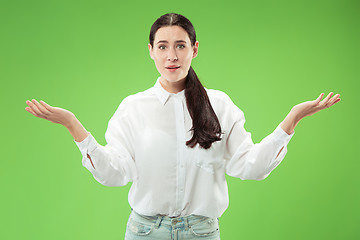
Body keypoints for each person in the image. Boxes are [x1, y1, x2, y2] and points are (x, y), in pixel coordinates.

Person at [25, 13, 341, 240]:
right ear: (150, 51)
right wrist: (72, 124)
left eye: (180, 45)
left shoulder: (219, 105)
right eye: (162, 46)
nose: (171, 55)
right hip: (145, 232)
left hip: (202, 231)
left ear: (194, 49)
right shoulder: (133, 108)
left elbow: (250, 166)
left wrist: (291, 120)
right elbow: (115, 173)